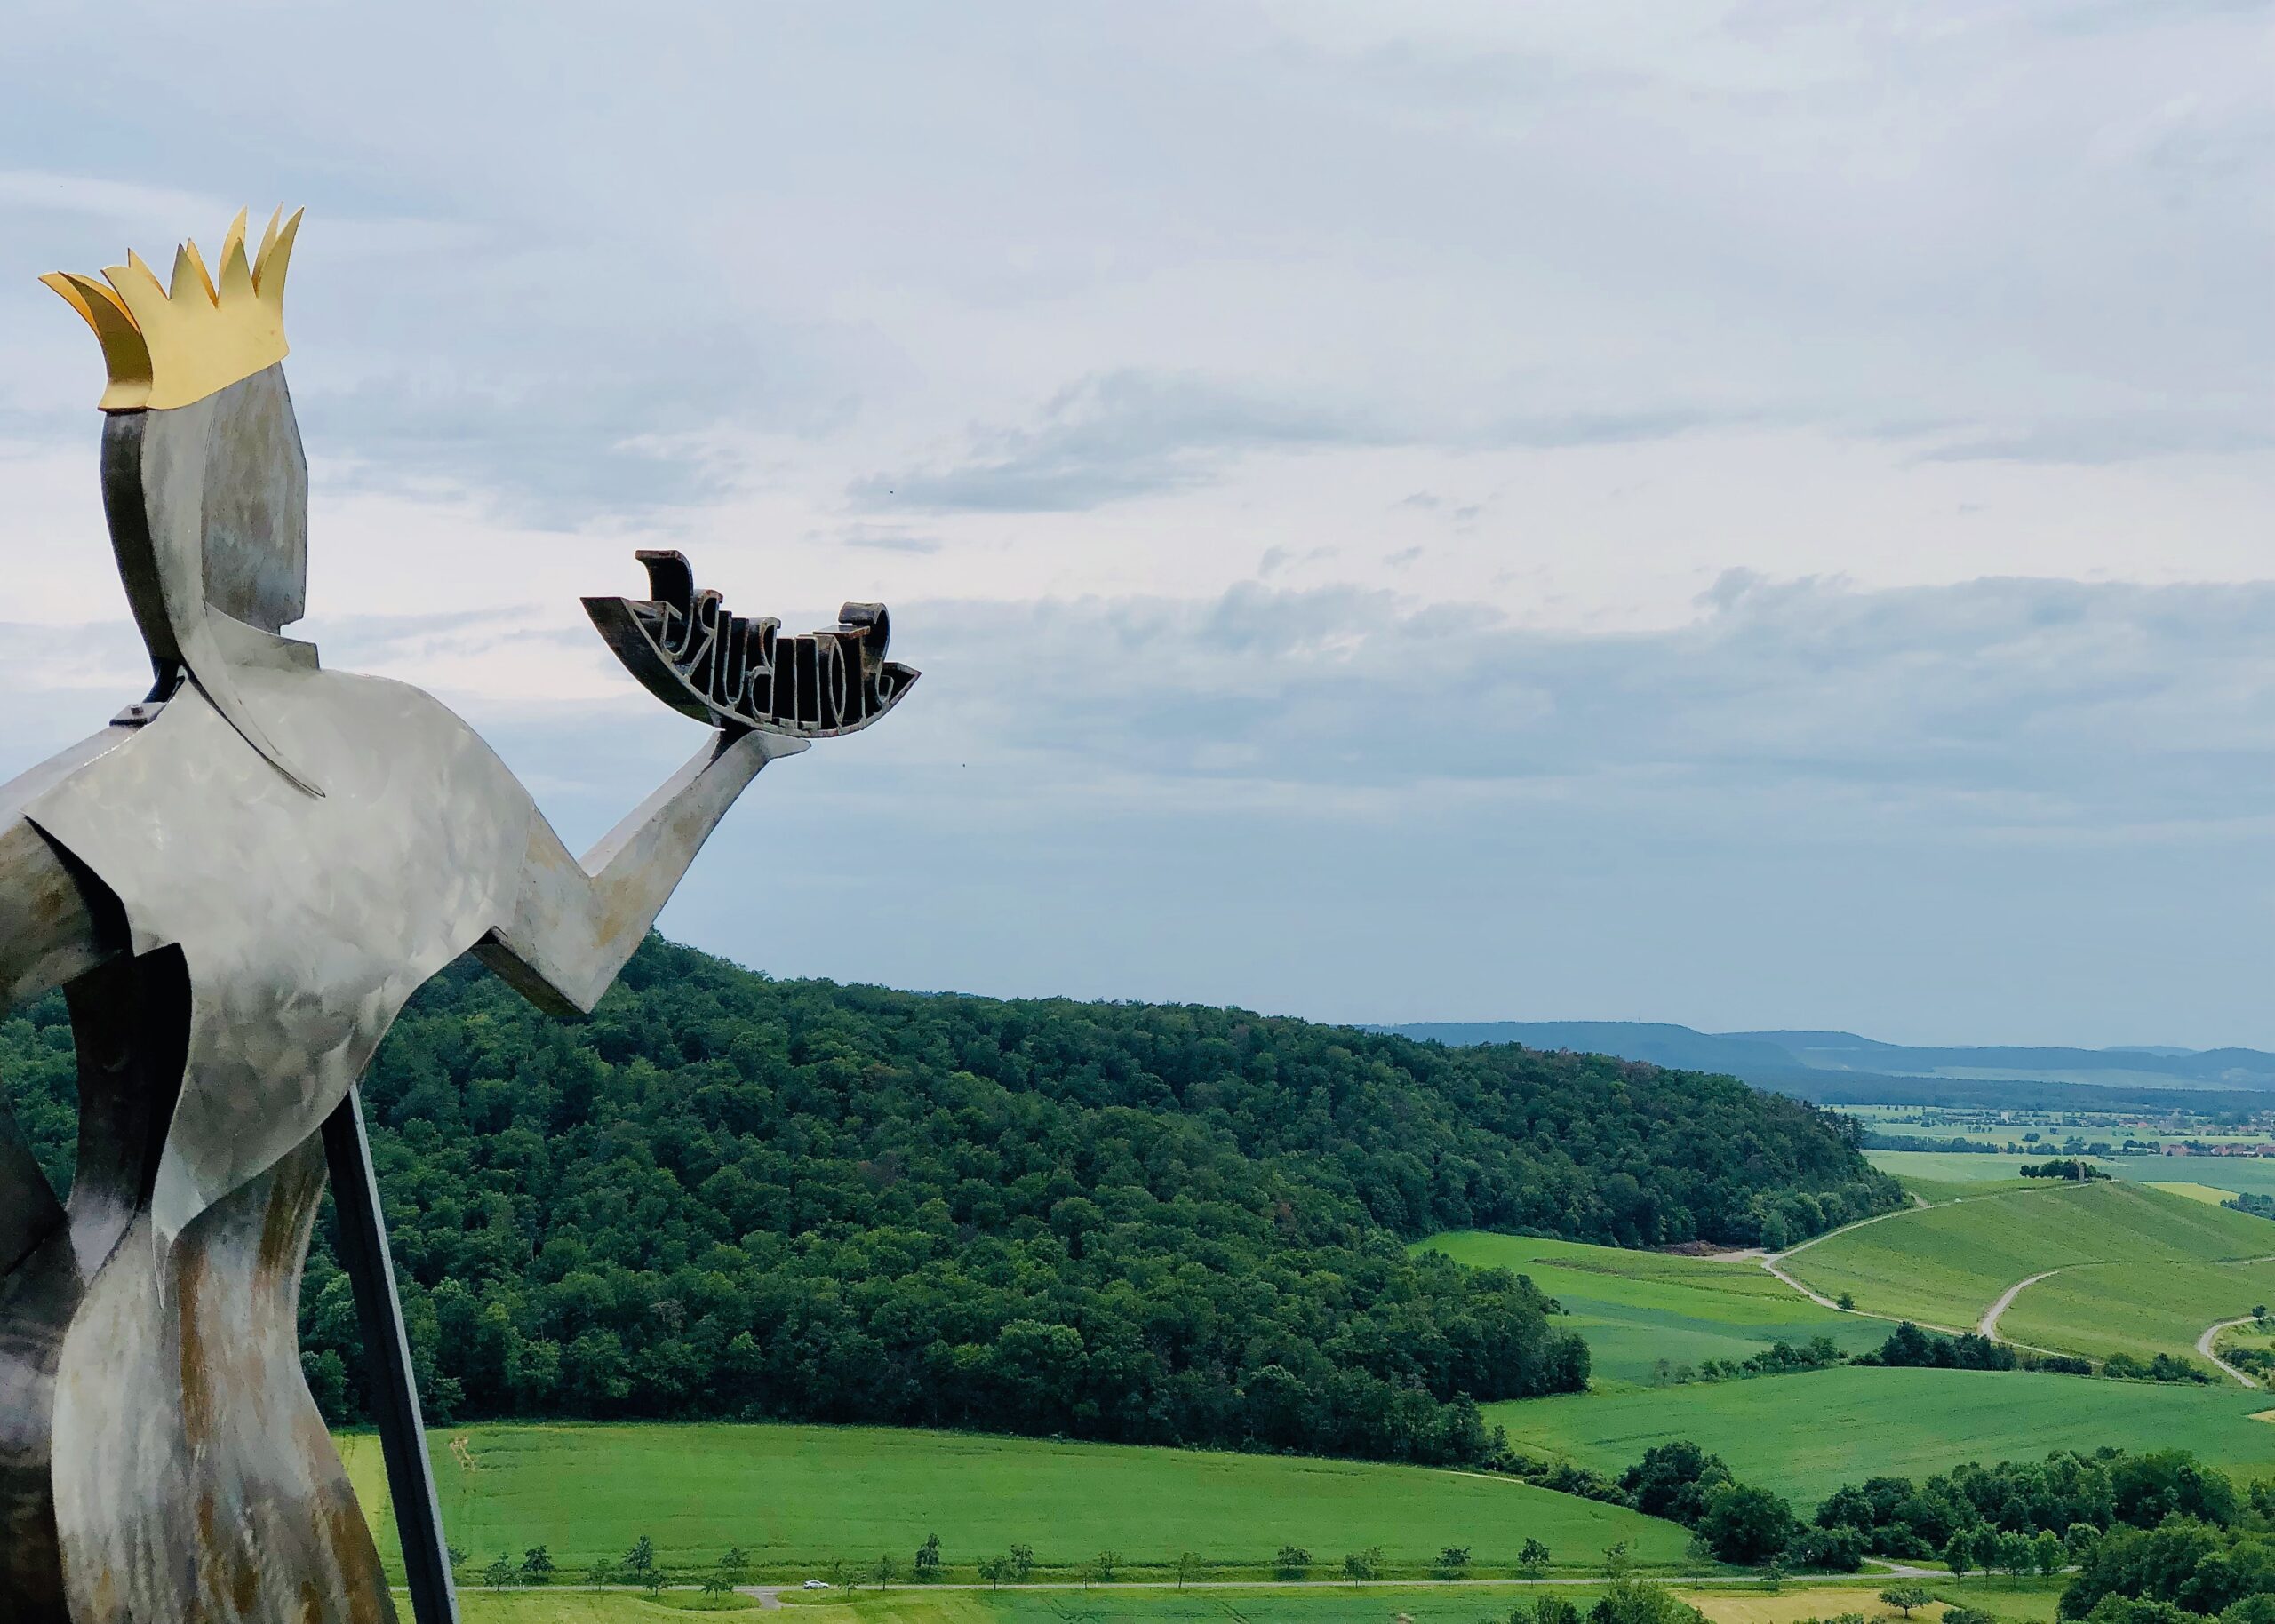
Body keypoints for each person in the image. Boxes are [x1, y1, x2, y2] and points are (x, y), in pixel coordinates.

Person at [0, 211, 911, 1624]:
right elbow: (588, 944)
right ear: (271, 486)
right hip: (180, 1426)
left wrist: (33, 1268)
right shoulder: (390, 757)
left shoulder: (119, 794)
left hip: (95, 1404)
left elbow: (577, 949)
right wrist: (736, 753)